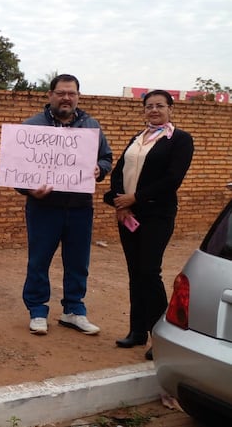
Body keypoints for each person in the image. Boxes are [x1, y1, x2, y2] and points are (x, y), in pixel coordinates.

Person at [18, 74, 113, 336]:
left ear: (78, 96)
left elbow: (106, 158)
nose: (66, 98)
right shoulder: (32, 126)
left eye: (71, 93)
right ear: (50, 95)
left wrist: (99, 169)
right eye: (61, 93)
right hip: (43, 207)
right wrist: (29, 190)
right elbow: (17, 168)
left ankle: (74, 311)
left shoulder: (91, 125)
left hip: (81, 207)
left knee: (78, 261)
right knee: (39, 260)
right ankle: (37, 310)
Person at [104, 90, 193, 360]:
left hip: (157, 215)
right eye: (149, 106)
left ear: (170, 109)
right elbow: (119, 172)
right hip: (129, 215)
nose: (154, 110)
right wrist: (121, 203)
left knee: (149, 271)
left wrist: (136, 197)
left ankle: (162, 338)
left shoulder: (179, 139)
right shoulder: (138, 138)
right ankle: (137, 332)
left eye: (159, 106)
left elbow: (172, 179)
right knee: (135, 272)